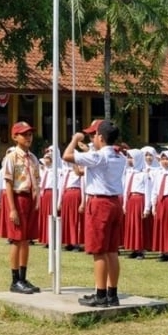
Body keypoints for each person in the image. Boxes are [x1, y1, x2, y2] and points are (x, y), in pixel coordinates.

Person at [61, 120, 126, 307]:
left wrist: (74, 140)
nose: (92, 138)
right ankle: (112, 293)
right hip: (115, 201)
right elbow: (83, 171)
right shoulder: (118, 156)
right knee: (112, 250)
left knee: (98, 251)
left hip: (99, 203)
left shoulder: (98, 157)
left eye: (94, 135)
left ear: (100, 137)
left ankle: (100, 293)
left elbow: (67, 156)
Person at [0, 121, 41, 294]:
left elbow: (36, 180)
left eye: (30, 134)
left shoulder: (32, 158)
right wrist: (12, 208)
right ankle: (15, 280)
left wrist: (37, 198)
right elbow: (8, 183)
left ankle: (23, 277)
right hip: (17, 197)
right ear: (15, 137)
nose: (28, 137)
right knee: (16, 239)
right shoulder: (11, 157)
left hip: (29, 199)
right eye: (24, 134)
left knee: (26, 240)